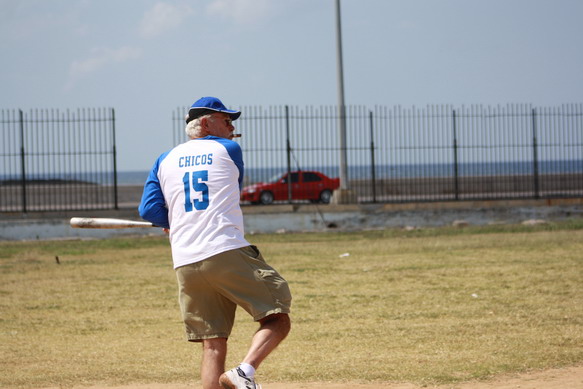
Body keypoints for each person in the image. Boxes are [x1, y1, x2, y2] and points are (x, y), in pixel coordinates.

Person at [138, 96, 292, 389]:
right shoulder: (229, 148)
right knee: (278, 314)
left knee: (212, 343)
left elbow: (148, 210)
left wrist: (169, 222)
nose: (232, 127)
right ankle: (244, 371)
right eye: (226, 120)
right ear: (206, 123)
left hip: (185, 260)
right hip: (224, 248)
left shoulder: (163, 159)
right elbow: (231, 190)